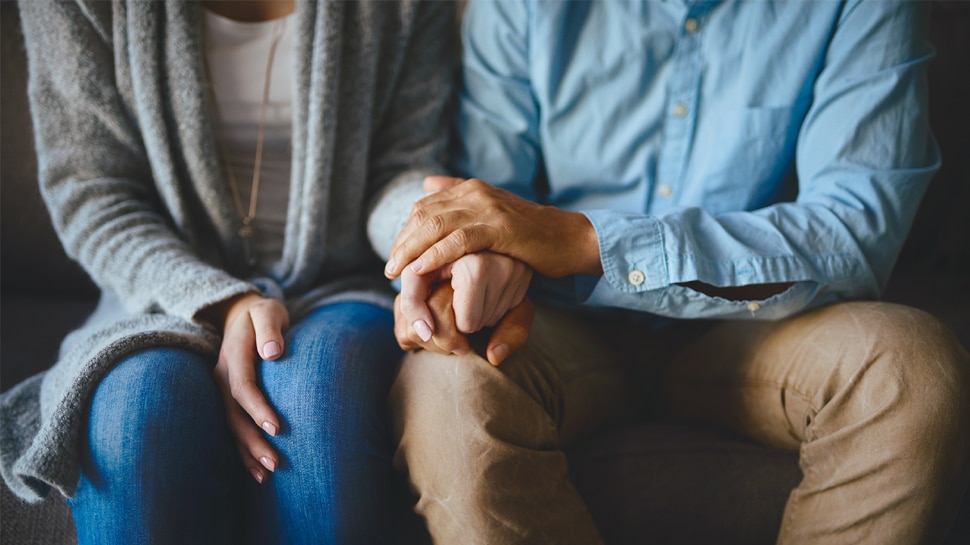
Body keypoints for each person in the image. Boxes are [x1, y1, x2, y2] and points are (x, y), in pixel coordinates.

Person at [370, 0, 970, 543]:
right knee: (445, 387)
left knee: (911, 369)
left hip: (761, 327)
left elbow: (854, 232)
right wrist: (469, 270)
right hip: (558, 325)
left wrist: (584, 240)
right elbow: (487, 197)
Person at [0, 0, 456, 543]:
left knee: (317, 402)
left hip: (341, 281)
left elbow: (401, 169)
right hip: (159, 288)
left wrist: (430, 229)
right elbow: (92, 194)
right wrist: (224, 300)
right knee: (139, 412)